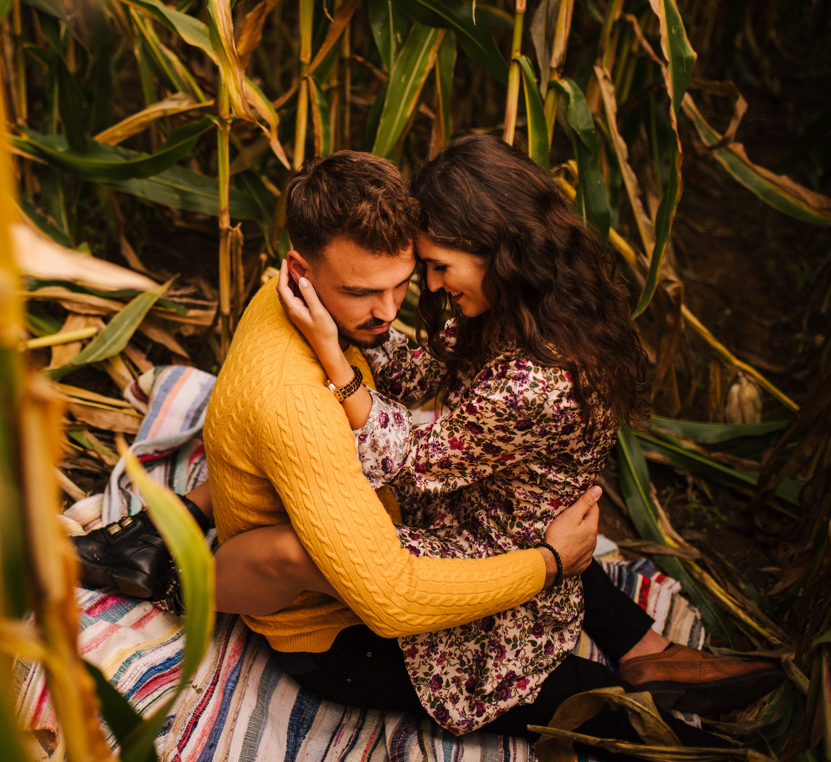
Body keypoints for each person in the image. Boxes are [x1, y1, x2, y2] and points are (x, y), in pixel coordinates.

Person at [74, 146, 781, 743]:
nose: (417, 297)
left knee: (523, 660)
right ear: (302, 271)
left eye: (426, 273)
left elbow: (413, 470)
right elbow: (424, 371)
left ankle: (664, 719)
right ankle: (646, 650)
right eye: (385, 286)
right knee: (536, 544)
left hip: (486, 522)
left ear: (496, 250)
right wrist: (357, 355)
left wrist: (342, 362)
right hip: (502, 507)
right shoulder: (521, 304)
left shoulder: (532, 376)